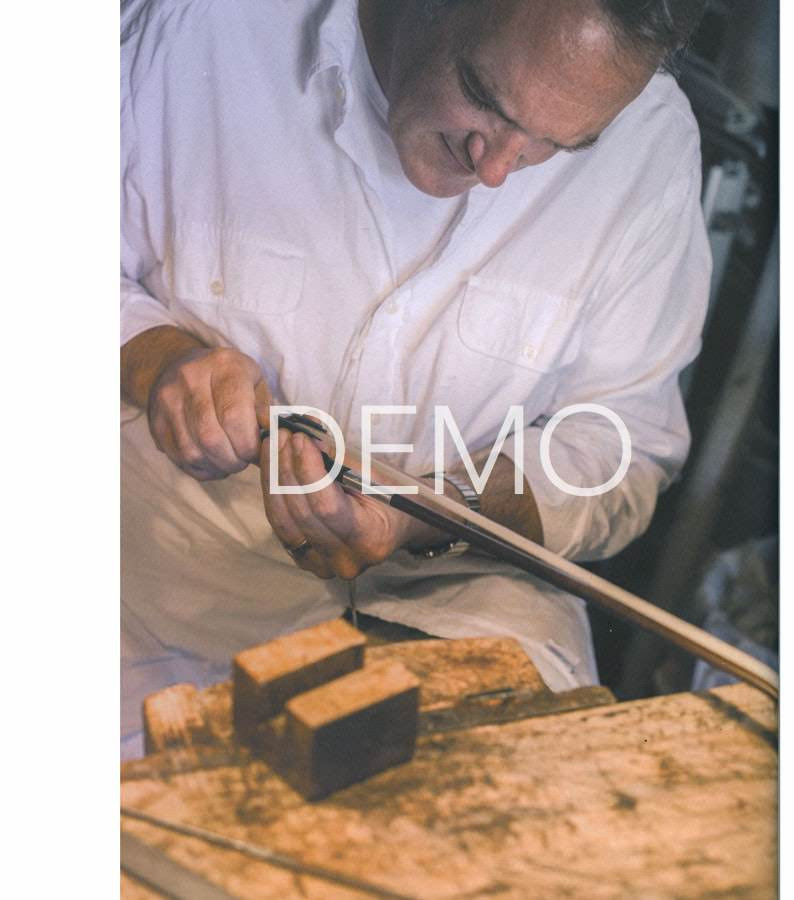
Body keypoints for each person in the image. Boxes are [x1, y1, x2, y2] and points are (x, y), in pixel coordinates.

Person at [120, 0, 711, 757]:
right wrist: (159, 359)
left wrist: (433, 511)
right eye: (483, 95)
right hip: (160, 566)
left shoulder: (651, 142)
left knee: (514, 807)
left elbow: (619, 444)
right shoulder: (197, 29)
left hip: (451, 595)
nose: (496, 170)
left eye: (557, 147)